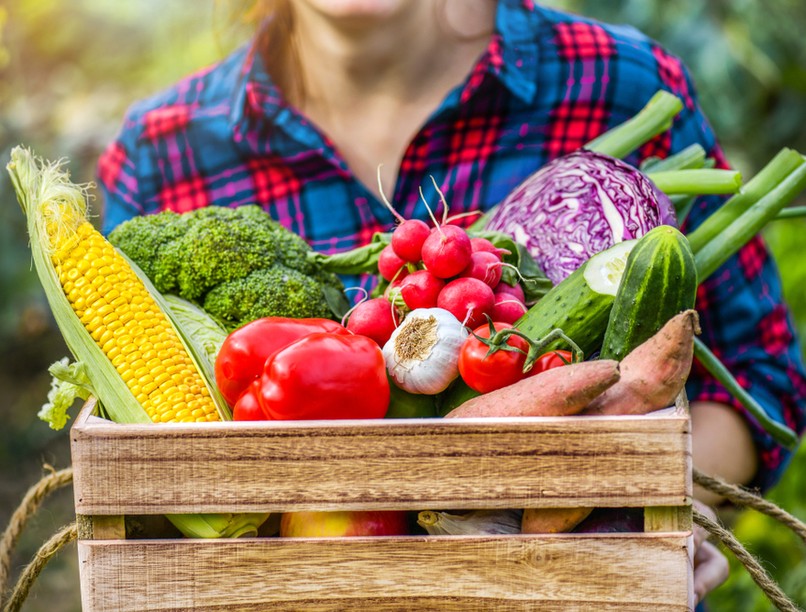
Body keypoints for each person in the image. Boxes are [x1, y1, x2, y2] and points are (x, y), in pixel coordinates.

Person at [97, 0, 805, 604]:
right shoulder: (163, 151)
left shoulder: (614, 82)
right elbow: (126, 473)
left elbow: (762, 377)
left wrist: (641, 513)